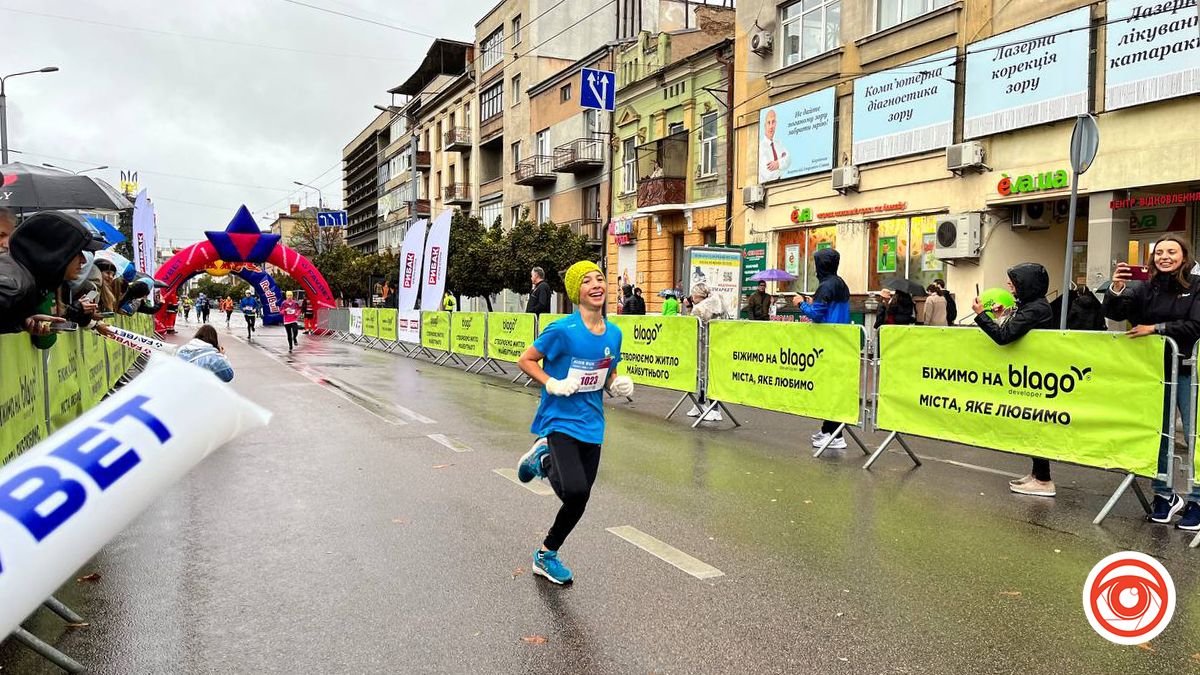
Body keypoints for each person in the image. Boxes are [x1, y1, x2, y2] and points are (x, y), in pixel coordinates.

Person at [515, 260, 631, 585]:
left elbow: (608, 373)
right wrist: (551, 382)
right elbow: (526, 360)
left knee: (578, 498)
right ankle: (546, 458)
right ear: (576, 292)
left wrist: (615, 385)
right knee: (576, 492)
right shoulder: (562, 331)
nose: (596, 285)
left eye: (600, 279)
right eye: (587, 282)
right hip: (560, 419)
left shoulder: (614, 333)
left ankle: (545, 553)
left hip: (592, 422)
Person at [1104, 235, 1200, 529]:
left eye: (1172, 252)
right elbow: (1115, 312)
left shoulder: (1197, 287)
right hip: (1156, 374)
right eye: (1159, 252)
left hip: (1189, 373)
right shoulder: (1145, 288)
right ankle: (1164, 496)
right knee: (1159, 436)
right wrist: (1116, 289)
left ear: (1184, 257)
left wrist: (1156, 329)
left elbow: (1196, 325)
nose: (1165, 257)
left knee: (1195, 438)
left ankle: (1196, 498)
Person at [973, 262, 1056, 498]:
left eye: (1014, 281)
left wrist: (981, 316)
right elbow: (1013, 328)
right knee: (1032, 425)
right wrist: (1001, 315)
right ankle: (1037, 473)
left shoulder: (1036, 308)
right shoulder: (1030, 305)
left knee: (1037, 425)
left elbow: (1004, 336)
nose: (1009, 285)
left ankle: (1043, 480)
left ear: (1026, 284)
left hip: (1037, 376)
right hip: (1030, 375)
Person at [0, 210, 104, 336]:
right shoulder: (12, 285)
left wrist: (21, 322)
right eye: (78, 252)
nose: (84, 260)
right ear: (57, 251)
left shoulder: (27, 279)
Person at [794, 248, 852, 449]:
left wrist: (801, 304)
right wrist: (813, 302)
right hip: (840, 340)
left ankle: (834, 435)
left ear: (822, 265)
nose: (815, 269)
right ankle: (829, 430)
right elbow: (826, 309)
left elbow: (817, 315)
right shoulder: (839, 283)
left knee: (829, 389)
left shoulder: (826, 285)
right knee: (831, 388)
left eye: (816, 263)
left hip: (829, 343)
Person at [685, 283, 728, 422]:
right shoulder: (718, 301)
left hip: (704, 345)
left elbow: (691, 325)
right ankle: (700, 404)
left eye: (693, 295)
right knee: (706, 376)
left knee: (705, 376)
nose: (692, 297)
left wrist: (688, 308)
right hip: (717, 344)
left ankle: (714, 409)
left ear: (698, 295)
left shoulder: (700, 308)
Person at [758, 109, 790, 181]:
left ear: (776, 124)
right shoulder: (761, 147)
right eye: (768, 123)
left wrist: (778, 164)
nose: (771, 126)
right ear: (765, 125)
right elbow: (768, 174)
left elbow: (788, 159)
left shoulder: (779, 144)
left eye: (773, 122)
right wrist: (782, 165)